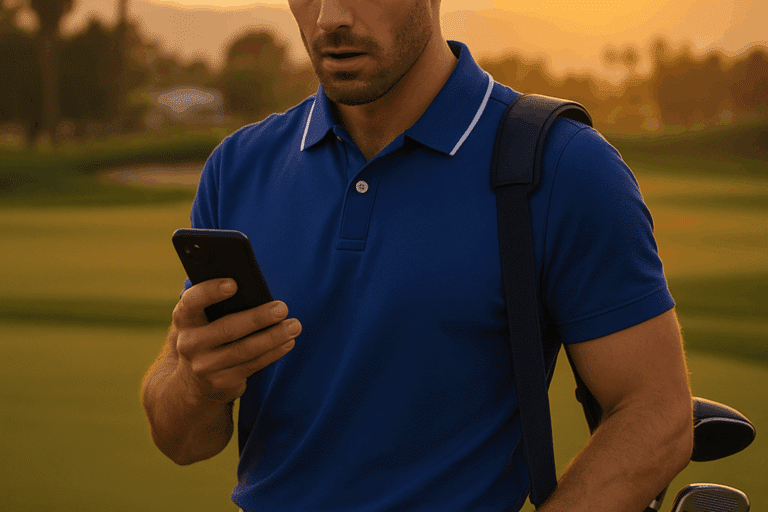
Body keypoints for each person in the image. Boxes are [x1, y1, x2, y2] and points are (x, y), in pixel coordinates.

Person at [141, 0, 694, 510]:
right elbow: (183, 442)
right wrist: (194, 382)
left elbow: (657, 415)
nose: (330, 17)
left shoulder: (566, 166)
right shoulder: (238, 166)